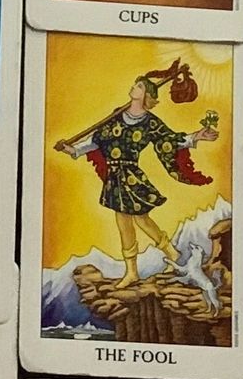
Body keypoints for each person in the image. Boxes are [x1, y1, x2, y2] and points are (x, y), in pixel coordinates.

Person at [56, 71, 219, 284]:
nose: (134, 87)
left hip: (131, 176)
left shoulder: (150, 123)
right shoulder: (116, 115)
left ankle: (173, 254)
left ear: (146, 95)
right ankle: (132, 271)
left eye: (139, 86)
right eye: (135, 84)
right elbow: (96, 141)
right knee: (123, 224)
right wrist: (72, 149)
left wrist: (195, 136)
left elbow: (169, 140)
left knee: (141, 218)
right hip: (114, 178)